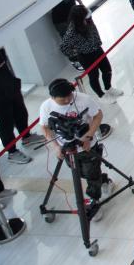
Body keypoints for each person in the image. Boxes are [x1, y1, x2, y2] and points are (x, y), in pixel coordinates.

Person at [39, 79, 108, 216]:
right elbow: (45, 127)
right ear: (52, 97)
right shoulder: (46, 106)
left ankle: (94, 201)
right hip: (67, 148)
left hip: (88, 146)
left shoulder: (84, 99)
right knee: (79, 172)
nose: (67, 101)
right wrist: (55, 147)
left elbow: (98, 115)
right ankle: (104, 180)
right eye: (62, 99)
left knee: (91, 174)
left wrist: (88, 136)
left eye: (69, 96)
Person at [60, 5, 121, 101]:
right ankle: (101, 95)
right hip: (86, 56)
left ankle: (108, 88)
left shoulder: (89, 21)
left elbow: (94, 32)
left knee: (107, 69)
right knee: (94, 76)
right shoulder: (72, 31)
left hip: (98, 49)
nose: (88, 15)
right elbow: (64, 47)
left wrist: (98, 42)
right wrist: (76, 53)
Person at [0, 48, 43, 165]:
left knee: (21, 112)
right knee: (6, 122)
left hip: (8, 81)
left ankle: (26, 136)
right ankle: (12, 152)